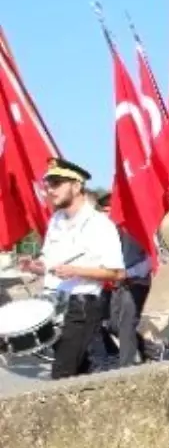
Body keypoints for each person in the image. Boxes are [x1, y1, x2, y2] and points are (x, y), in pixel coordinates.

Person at [18, 158, 125, 379]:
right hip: (54, 302)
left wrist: (75, 270)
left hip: (81, 304)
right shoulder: (56, 220)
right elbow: (50, 264)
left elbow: (117, 273)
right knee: (81, 372)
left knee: (62, 373)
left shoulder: (99, 224)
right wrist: (36, 267)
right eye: (48, 184)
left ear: (76, 186)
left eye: (56, 183)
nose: (50, 190)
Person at [95, 192, 152, 366]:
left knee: (126, 323)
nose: (106, 216)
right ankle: (148, 351)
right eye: (103, 211)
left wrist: (129, 273)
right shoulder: (107, 235)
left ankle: (126, 368)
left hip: (136, 282)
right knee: (113, 324)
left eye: (108, 210)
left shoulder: (135, 230)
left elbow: (150, 259)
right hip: (117, 285)